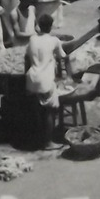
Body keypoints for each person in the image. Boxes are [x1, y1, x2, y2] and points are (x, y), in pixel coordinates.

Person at [23, 13, 70, 149]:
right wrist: (68, 76)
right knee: (50, 111)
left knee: (38, 109)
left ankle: (38, 138)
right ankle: (47, 142)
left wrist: (26, 75)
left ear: (39, 26)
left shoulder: (32, 39)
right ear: (50, 27)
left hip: (31, 78)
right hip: (45, 81)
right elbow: (63, 57)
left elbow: (26, 59)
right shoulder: (54, 40)